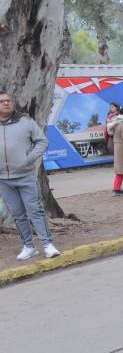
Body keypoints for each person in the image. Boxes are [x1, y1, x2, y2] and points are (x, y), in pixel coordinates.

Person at [0, 89, 60, 260]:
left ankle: (48, 245)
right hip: (3, 180)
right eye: (2, 101)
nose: (6, 103)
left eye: (8, 100)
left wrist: (29, 159)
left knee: (36, 211)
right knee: (17, 213)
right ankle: (28, 246)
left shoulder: (25, 121)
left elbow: (42, 141)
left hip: (25, 176)